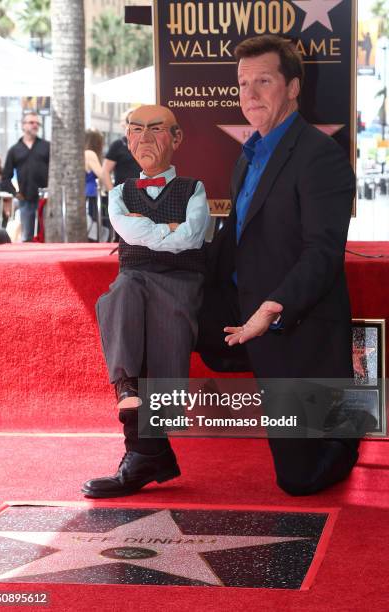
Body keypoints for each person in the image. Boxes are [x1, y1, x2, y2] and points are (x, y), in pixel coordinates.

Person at [197, 34, 374, 496]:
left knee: (299, 480)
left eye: (264, 81)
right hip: (237, 308)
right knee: (137, 302)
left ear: (293, 87)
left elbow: (322, 254)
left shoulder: (321, 158)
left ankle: (346, 425)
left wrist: (270, 310)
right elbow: (233, 240)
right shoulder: (248, 156)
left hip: (293, 324)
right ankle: (145, 451)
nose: (249, 95)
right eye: (242, 84)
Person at [82, 105, 210, 498]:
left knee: (154, 312)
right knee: (121, 293)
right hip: (136, 282)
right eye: (136, 130)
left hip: (180, 284)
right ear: (127, 139)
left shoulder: (195, 189)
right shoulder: (118, 193)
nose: (145, 139)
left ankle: (148, 450)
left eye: (156, 130)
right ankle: (129, 399)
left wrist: (152, 232)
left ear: (176, 138)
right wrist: (166, 229)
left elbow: (190, 237)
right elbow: (129, 229)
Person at [2, 112, 50, 242]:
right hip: (25, 199)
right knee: (27, 237)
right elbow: (5, 177)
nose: (35, 125)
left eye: (37, 123)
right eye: (31, 122)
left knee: (46, 236)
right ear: (23, 126)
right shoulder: (14, 150)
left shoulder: (47, 146)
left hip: (46, 199)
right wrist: (15, 192)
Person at [101, 109, 141, 191]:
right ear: (126, 124)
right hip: (123, 194)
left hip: (145, 194)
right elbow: (105, 171)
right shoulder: (118, 145)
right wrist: (113, 194)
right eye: (130, 122)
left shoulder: (147, 144)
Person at [84, 129, 104, 240]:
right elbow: (101, 174)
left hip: (86, 193)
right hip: (92, 194)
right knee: (93, 228)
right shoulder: (90, 154)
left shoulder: (83, 153)